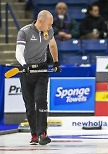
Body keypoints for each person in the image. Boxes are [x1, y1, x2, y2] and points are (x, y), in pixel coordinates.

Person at [15, 10, 61, 145]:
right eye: (49, 24)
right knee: (29, 105)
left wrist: (56, 61)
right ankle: (34, 134)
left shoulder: (49, 31)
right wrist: (24, 65)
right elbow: (19, 52)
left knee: (41, 100)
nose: (51, 27)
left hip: (41, 70)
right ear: (40, 21)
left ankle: (43, 133)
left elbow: (52, 45)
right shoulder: (24, 32)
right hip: (26, 71)